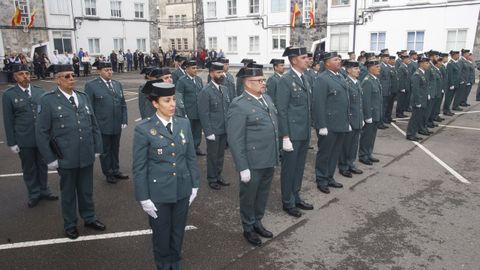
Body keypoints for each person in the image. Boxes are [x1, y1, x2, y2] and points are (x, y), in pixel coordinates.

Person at [133, 82, 199, 270]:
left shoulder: (183, 123)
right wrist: (143, 198)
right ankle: (163, 265)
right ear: (155, 103)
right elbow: (139, 167)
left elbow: (190, 157)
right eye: (167, 100)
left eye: (174, 99)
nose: (172, 104)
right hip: (158, 194)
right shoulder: (144, 129)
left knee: (178, 233)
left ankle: (176, 264)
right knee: (161, 236)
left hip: (182, 189)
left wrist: (194, 184)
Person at [36, 64, 105, 239]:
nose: (71, 79)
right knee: (68, 193)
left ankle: (89, 217)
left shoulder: (82, 97)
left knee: (86, 190)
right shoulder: (48, 100)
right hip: (65, 156)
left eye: (72, 75)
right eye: (66, 76)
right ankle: (70, 224)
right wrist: (50, 158)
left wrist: (97, 147)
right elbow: (42, 132)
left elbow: (93, 124)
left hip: (86, 153)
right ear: (57, 79)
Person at [227, 65, 279, 247]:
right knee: (249, 196)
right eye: (259, 81)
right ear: (247, 83)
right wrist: (243, 167)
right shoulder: (239, 105)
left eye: (263, 80)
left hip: (268, 158)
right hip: (252, 161)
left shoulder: (266, 99)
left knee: (262, 194)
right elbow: (235, 139)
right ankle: (248, 227)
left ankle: (257, 221)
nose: (263, 83)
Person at [2, 64, 58, 208]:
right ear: (15, 77)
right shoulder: (9, 95)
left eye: (27, 73)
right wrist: (12, 142)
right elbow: (8, 120)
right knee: (29, 168)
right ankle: (34, 193)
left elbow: (47, 116)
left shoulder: (40, 92)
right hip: (24, 138)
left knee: (42, 164)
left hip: (41, 138)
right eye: (21, 74)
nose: (25, 76)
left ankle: (44, 190)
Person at [276, 47, 314, 218]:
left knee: (299, 168)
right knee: (289, 169)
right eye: (304, 57)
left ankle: (296, 196)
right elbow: (281, 110)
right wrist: (285, 136)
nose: (308, 60)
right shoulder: (285, 80)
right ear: (293, 60)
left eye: (307, 57)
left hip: (303, 132)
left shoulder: (304, 78)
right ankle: (288, 201)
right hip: (292, 134)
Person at [84, 62, 129, 184]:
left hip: (116, 123)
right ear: (99, 71)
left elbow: (123, 104)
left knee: (115, 148)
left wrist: (124, 120)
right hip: (102, 125)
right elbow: (89, 107)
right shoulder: (91, 85)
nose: (109, 72)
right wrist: (93, 125)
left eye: (110, 69)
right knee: (105, 150)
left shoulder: (117, 84)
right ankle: (108, 172)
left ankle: (116, 169)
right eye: (106, 70)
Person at [312, 52, 349, 194]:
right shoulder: (322, 79)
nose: (339, 61)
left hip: (340, 123)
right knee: (325, 153)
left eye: (339, 59)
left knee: (335, 152)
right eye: (336, 59)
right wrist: (321, 125)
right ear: (327, 63)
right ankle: (321, 179)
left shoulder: (340, 76)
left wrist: (347, 121)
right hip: (328, 124)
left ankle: (329, 176)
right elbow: (319, 104)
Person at [197, 62, 231, 190]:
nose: (221, 75)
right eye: (218, 72)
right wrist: (208, 132)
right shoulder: (206, 91)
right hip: (213, 130)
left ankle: (218, 175)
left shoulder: (224, 89)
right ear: (211, 74)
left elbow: (227, 109)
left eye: (222, 72)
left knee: (220, 154)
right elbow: (204, 113)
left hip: (223, 129)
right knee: (212, 155)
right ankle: (212, 178)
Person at [338, 60, 364, 178]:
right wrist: (346, 121)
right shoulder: (345, 83)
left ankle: (351, 163)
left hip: (357, 119)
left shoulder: (357, 82)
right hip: (350, 119)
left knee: (354, 144)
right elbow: (344, 105)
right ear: (348, 70)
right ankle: (343, 166)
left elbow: (359, 103)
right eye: (355, 69)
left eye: (358, 68)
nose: (358, 71)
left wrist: (362, 118)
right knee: (346, 145)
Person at [175, 60, 205, 155]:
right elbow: (179, 97)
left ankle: (196, 148)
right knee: (187, 132)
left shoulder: (199, 80)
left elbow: (201, 95)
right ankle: (187, 150)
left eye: (196, 68)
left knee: (197, 131)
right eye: (193, 68)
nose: (196, 70)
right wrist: (183, 112)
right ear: (187, 69)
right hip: (188, 111)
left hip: (198, 111)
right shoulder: (182, 81)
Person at [358, 60, 382, 165]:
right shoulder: (367, 81)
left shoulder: (375, 80)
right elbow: (365, 100)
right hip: (370, 114)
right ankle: (363, 155)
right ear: (371, 68)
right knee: (366, 136)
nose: (379, 68)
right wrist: (367, 116)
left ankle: (369, 153)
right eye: (377, 66)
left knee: (372, 136)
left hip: (375, 113)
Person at [406, 55, 431, 141]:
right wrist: (418, 102)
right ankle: (410, 134)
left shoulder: (422, 73)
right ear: (421, 64)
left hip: (422, 99)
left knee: (418, 118)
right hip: (418, 100)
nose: (428, 65)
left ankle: (414, 132)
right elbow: (415, 90)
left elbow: (424, 87)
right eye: (427, 63)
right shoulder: (417, 75)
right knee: (415, 118)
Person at [443, 50, 460, 116]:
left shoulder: (456, 63)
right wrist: (451, 84)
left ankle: (448, 109)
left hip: (455, 84)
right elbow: (450, 75)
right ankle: (446, 110)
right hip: (451, 84)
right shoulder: (450, 64)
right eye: (457, 55)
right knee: (448, 98)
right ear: (454, 55)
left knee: (451, 98)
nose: (458, 56)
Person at [396, 54, 411, 118]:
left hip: (406, 87)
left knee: (403, 101)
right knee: (400, 101)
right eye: (408, 59)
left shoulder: (406, 66)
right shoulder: (401, 67)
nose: (409, 60)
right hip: (402, 88)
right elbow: (401, 79)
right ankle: (399, 113)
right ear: (404, 60)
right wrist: (402, 88)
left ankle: (401, 112)